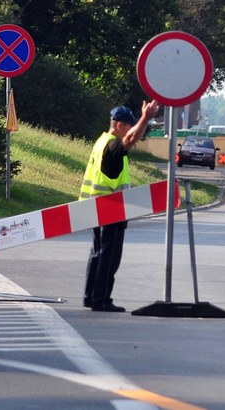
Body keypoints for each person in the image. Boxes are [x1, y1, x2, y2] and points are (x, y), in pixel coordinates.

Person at [81, 99, 159, 312]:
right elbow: (131, 138)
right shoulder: (114, 145)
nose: (133, 134)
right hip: (110, 208)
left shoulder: (102, 142)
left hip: (96, 206)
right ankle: (101, 299)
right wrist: (146, 117)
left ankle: (90, 296)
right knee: (109, 256)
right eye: (129, 127)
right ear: (119, 126)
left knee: (98, 252)